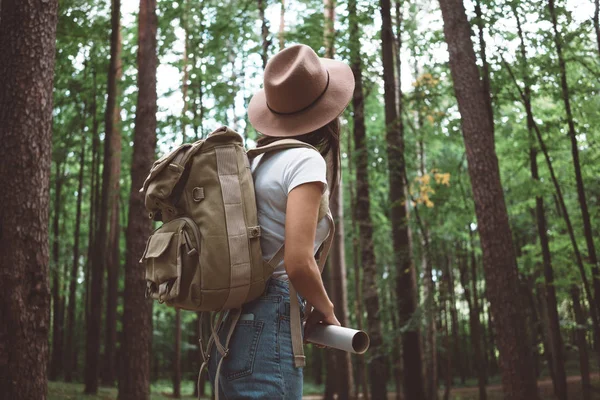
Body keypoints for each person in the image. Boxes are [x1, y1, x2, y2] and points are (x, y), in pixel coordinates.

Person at [207, 44, 355, 399]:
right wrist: (326, 310)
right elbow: (298, 262)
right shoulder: (306, 161)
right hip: (269, 324)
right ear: (328, 113)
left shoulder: (253, 162)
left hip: (229, 328)